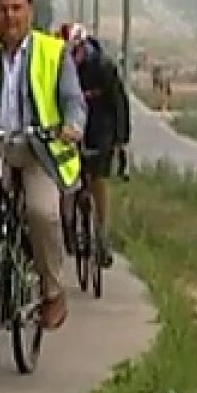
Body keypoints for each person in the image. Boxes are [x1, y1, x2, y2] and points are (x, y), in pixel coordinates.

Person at [0, 0, 86, 331]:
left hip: (38, 150)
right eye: (3, 10)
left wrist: (72, 126)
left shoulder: (53, 52)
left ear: (30, 12)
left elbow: (73, 100)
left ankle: (52, 291)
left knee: (42, 213)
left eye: (16, 9)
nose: (9, 17)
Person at [66, 23, 130, 266]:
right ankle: (70, 223)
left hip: (101, 127)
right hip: (72, 127)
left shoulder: (103, 67)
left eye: (76, 54)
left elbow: (119, 104)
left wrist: (121, 140)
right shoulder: (64, 66)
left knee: (98, 179)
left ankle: (102, 235)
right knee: (67, 177)